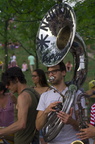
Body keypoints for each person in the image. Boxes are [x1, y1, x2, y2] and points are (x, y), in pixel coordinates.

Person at [36, 61, 86, 144]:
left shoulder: (76, 94)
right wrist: (46, 112)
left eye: (54, 71)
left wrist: (71, 122)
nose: (51, 74)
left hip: (73, 141)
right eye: (49, 72)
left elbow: (83, 127)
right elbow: (38, 126)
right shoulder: (44, 96)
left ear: (63, 72)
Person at [0, 67, 39, 144]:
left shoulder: (23, 97)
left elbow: (21, 124)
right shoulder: (33, 92)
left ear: (16, 79)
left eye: (8, 83)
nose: (6, 87)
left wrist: (1, 132)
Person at [32, 69, 50, 144]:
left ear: (40, 77)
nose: (33, 78)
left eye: (35, 76)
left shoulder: (49, 90)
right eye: (32, 76)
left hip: (46, 118)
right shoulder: (32, 90)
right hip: (34, 118)